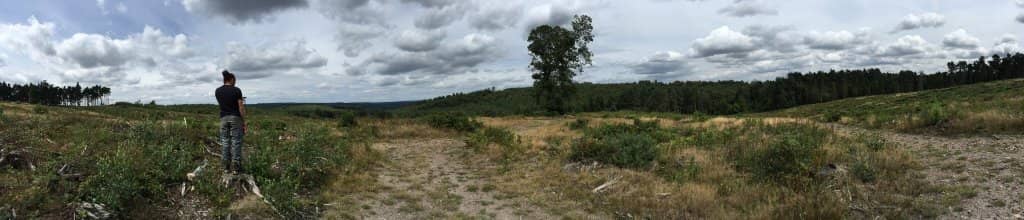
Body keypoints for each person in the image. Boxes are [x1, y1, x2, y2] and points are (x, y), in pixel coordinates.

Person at [216, 70, 246, 174]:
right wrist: (243, 121)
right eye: (235, 80)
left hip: (223, 118)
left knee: (225, 141)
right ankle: (236, 168)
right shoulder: (237, 90)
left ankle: (225, 167)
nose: (235, 82)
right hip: (235, 118)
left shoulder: (217, 91)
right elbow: (240, 107)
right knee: (236, 142)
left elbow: (224, 104)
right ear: (231, 79)